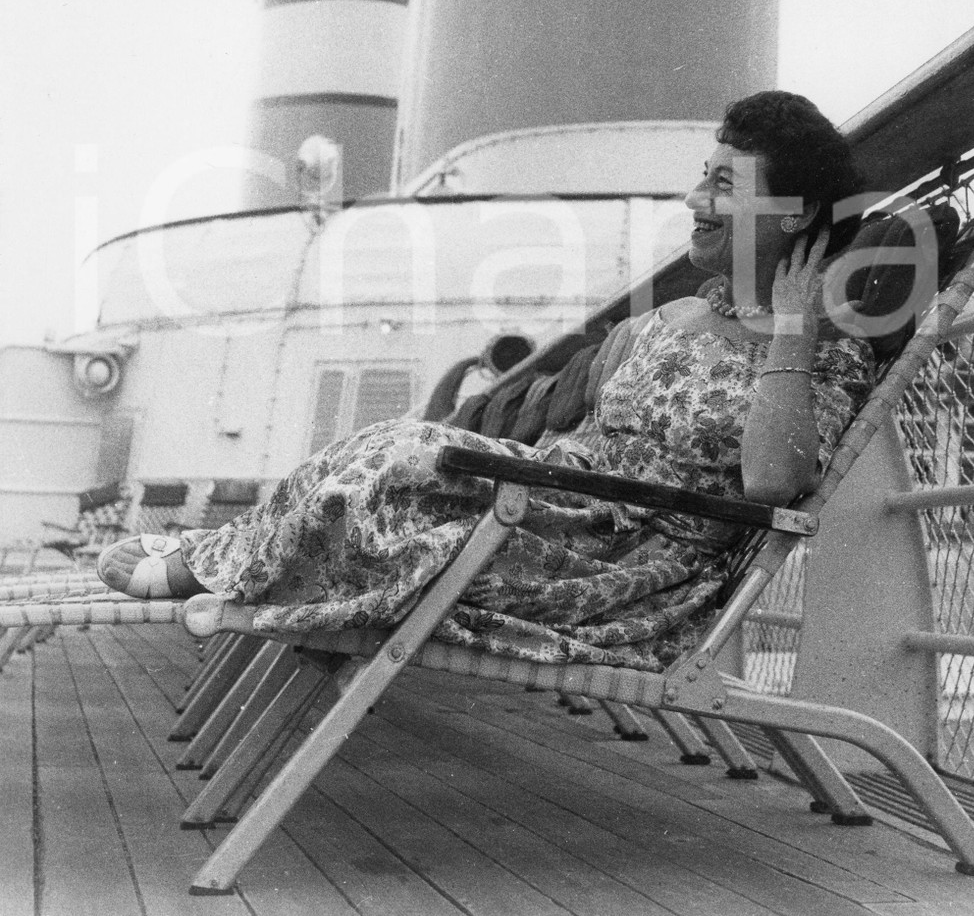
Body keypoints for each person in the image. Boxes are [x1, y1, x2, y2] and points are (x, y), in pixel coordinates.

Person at [98, 91, 875, 673]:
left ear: (798, 212)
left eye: (726, 186)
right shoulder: (665, 319)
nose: (695, 201)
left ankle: (229, 578)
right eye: (703, 178)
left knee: (399, 465)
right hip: (558, 511)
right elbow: (586, 434)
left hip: (623, 568)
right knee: (393, 450)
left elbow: (774, 482)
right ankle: (233, 568)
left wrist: (795, 330)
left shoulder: (824, 355)